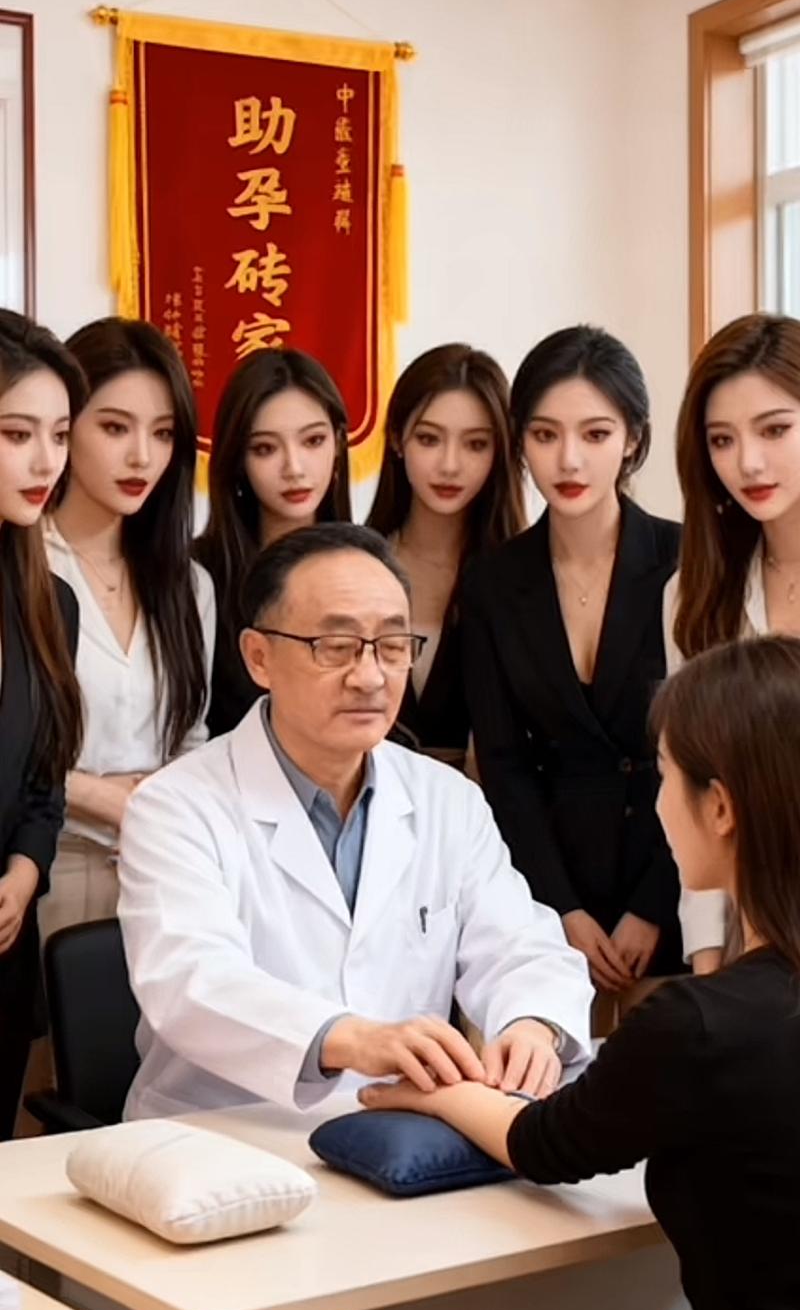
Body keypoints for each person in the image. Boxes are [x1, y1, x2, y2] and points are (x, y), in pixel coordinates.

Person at [360, 634, 800, 1310]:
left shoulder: (701, 1025)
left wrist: (439, 1087)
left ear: (720, 807)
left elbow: (545, 1143)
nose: (658, 805)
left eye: (665, 777)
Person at [117, 523, 592, 1120]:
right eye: (335, 646)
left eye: (392, 646)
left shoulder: (447, 799)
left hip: (393, 1134)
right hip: (218, 1133)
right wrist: (355, 1039)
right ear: (259, 657)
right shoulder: (176, 805)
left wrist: (532, 1024)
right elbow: (192, 982)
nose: (369, 676)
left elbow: (522, 946)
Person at [461, 326, 682, 1011]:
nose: (569, 459)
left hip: (677, 876)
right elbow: (503, 764)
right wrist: (559, 907)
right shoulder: (493, 582)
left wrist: (656, 903)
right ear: (521, 442)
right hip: (547, 894)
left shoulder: (686, 560)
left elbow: (710, 751)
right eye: (545, 434)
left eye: (596, 433)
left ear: (633, 439)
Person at [39, 318, 215, 938]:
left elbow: (191, 737)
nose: (143, 456)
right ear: (66, 427)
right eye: (115, 428)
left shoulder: (188, 584)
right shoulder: (23, 567)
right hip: (43, 865)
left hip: (159, 868)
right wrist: (99, 796)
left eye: (163, 433)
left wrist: (155, 806)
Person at [666, 311, 800, 974]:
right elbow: (696, 787)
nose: (748, 462)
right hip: (752, 946)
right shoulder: (694, 596)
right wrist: (708, 958)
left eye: (775, 429)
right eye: (722, 439)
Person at [0, 311, 83, 1138]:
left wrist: (25, 873)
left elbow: (43, 780)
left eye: (58, 434)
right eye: (16, 434)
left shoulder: (49, 603)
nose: (46, 460)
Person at [367, 344, 524, 768]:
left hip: (484, 801)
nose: (450, 465)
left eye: (476, 444)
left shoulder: (521, 577)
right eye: (429, 439)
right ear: (397, 439)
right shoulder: (357, 565)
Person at [194, 348, 352, 737]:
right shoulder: (197, 576)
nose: (293, 468)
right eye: (265, 448)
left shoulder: (366, 569)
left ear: (337, 444)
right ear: (237, 460)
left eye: (313, 441)